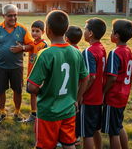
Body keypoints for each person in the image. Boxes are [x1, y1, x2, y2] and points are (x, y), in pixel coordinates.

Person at [27, 10, 89, 149]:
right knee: (69, 144)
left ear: (47, 29)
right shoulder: (76, 52)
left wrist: (44, 91)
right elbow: (86, 78)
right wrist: (78, 99)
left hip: (48, 111)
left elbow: (32, 87)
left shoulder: (45, 54)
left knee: (44, 146)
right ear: (66, 29)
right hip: (69, 109)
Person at [0, 4, 33, 123]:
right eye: (10, 16)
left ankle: (17, 112)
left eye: (15, 15)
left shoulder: (22, 29)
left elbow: (31, 45)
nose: (13, 18)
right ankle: (2, 111)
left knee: (17, 90)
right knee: (0, 90)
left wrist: (22, 48)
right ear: (3, 16)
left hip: (16, 67)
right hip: (0, 66)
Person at [102, 19, 132, 149]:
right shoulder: (129, 51)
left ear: (116, 36)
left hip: (113, 97)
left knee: (113, 132)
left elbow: (112, 78)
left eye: (111, 32)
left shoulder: (115, 52)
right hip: (123, 95)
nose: (110, 34)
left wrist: (104, 93)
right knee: (118, 126)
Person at [76, 18, 107, 149]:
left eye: (85, 29)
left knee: (86, 134)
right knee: (94, 130)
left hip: (89, 99)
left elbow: (90, 77)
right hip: (98, 97)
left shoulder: (89, 51)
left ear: (90, 33)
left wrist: (80, 96)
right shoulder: (102, 47)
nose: (83, 31)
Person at [25, 20, 47, 123]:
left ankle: (41, 114)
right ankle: (33, 113)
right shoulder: (32, 44)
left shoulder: (44, 45)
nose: (34, 33)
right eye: (32, 31)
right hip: (31, 73)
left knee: (41, 95)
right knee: (32, 94)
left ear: (43, 32)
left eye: (37, 31)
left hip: (40, 76)